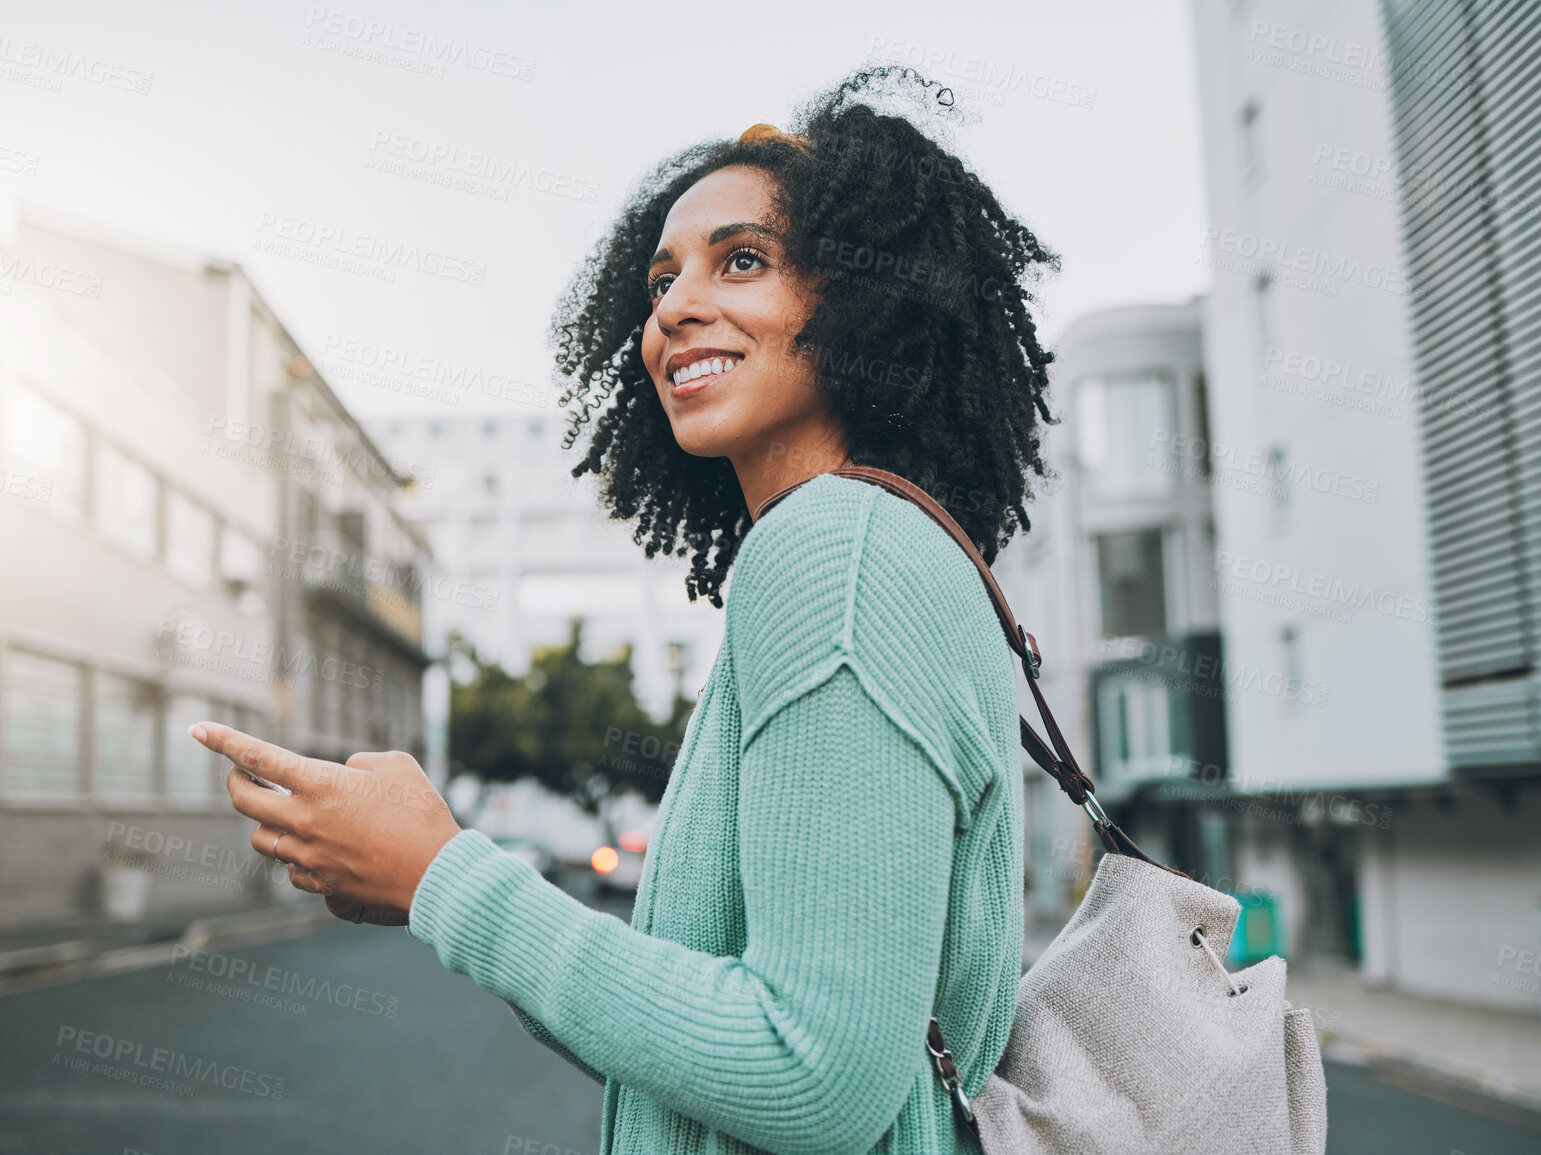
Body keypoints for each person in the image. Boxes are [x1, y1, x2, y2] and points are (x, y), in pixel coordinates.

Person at [192, 66, 1063, 1155]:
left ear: (869, 301)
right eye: (661, 279)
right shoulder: (888, 549)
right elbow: (698, 1038)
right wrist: (435, 884)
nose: (676, 307)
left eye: (742, 260)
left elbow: (814, 1076)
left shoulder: (835, 553)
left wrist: (442, 874)